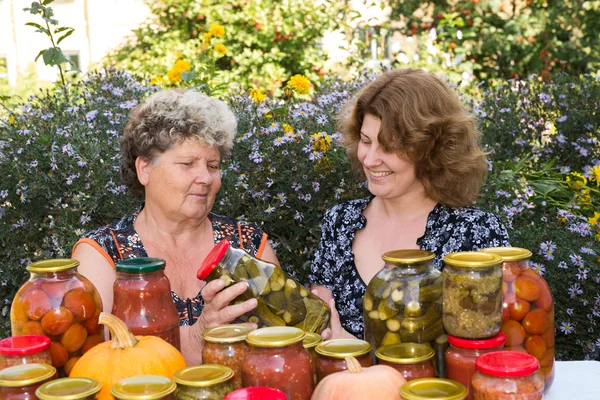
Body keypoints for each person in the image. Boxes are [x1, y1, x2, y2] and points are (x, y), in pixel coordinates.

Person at [72, 89, 279, 364]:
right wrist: (198, 336)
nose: (205, 177)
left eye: (213, 165)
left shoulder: (249, 243)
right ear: (144, 169)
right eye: (187, 163)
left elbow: (285, 343)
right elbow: (98, 365)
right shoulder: (102, 255)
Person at [309, 69, 510, 340]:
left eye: (388, 147)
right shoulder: (340, 222)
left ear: (431, 148)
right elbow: (321, 325)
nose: (369, 159)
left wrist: (355, 350)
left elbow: (487, 346)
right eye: (366, 141)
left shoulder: (476, 233)